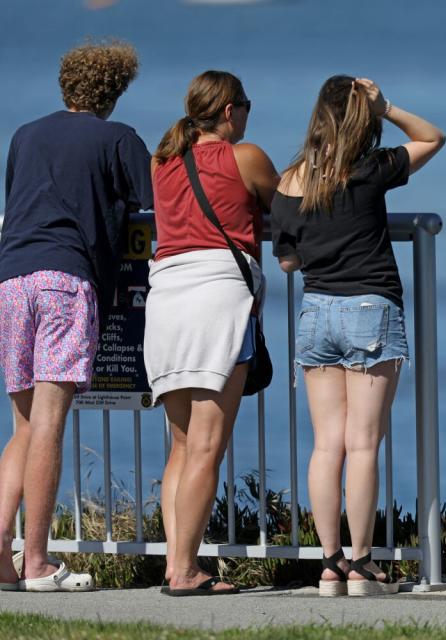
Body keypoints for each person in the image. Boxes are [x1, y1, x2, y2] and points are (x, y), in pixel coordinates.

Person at [271, 76, 444, 597]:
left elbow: (287, 260)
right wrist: (386, 105)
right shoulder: (369, 169)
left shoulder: (288, 181)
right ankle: (364, 564)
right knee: (363, 444)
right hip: (370, 309)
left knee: (327, 445)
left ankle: (329, 563)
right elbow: (433, 138)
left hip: (316, 312)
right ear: (360, 119)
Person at [0, 41, 151, 592]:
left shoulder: (24, 135)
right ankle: (37, 561)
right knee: (50, 423)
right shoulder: (118, 139)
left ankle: (2, 555)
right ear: (114, 91)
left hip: (12, 279)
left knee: (23, 426)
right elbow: (160, 200)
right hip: (66, 280)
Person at [145, 70, 279, 596]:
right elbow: (285, 202)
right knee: (207, 445)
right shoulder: (244, 156)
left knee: (181, 445)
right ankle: (184, 571)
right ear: (229, 111)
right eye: (245, 107)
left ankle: (176, 562)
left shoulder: (162, 162)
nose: (247, 118)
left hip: (166, 298)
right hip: (218, 299)